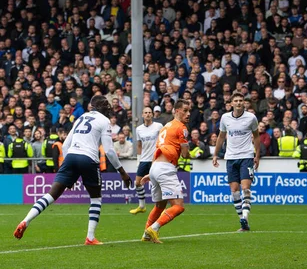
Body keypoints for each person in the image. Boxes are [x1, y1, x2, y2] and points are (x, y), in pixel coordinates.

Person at [14, 95, 132, 245]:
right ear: (99, 106)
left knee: (51, 195)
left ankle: (26, 220)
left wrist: (72, 171)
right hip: (88, 158)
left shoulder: (81, 117)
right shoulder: (104, 121)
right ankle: (90, 237)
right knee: (95, 198)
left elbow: (64, 146)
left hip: (70, 157)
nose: (109, 108)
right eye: (106, 105)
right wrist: (122, 172)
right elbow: (109, 150)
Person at [140, 100, 192, 244]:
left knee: (160, 205)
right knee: (178, 206)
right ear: (176, 110)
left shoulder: (165, 127)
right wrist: (189, 152)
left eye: (189, 111)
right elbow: (185, 154)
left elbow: (157, 150)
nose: (188, 114)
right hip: (166, 168)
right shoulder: (181, 128)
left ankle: (146, 234)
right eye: (185, 110)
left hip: (156, 166)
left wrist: (151, 173)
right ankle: (154, 228)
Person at [212, 91, 260, 232]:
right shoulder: (225, 118)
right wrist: (215, 154)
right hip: (231, 158)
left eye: (241, 100)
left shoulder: (251, 118)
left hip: (246, 156)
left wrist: (257, 155)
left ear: (244, 102)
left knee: (246, 188)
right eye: (236, 100)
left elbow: (256, 137)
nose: (239, 103)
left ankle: (245, 217)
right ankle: (242, 222)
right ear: (231, 103)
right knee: (234, 190)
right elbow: (221, 137)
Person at [130, 107, 163, 214]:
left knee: (158, 184)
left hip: (156, 159)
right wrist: (138, 159)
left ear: (152, 115)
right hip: (144, 159)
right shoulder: (139, 129)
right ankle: (142, 206)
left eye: (149, 112)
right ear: (142, 115)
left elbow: (163, 141)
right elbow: (139, 145)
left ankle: (160, 208)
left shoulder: (158, 126)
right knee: (138, 183)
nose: (148, 114)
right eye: (146, 113)